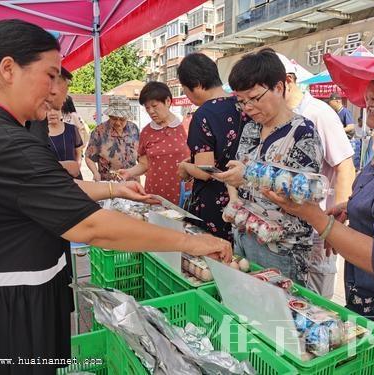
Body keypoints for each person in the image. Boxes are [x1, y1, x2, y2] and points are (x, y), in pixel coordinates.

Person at [0, 19, 231, 375]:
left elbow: (45, 191)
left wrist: (114, 189)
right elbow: (92, 226)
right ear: (9, 69)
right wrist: (190, 243)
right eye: (50, 74)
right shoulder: (4, 141)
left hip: (0, 300)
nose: (56, 88)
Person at [264, 31, 374, 374]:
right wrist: (350, 209)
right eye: (373, 79)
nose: (371, 91)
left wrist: (314, 217)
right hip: (372, 307)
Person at [214, 49, 324, 286]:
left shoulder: (302, 133)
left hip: (281, 249)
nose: (248, 107)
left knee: (277, 315)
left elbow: (303, 198)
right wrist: (234, 196)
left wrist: (248, 177)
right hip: (244, 232)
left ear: (279, 87)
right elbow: (239, 170)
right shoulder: (251, 128)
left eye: (255, 98)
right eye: (242, 101)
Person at [278, 52, 355, 298]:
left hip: (316, 228)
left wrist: (335, 225)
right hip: (288, 231)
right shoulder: (278, 118)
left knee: (317, 302)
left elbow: (345, 166)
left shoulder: (318, 114)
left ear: (287, 82)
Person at [176, 53, 243, 241]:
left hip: (215, 203)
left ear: (196, 85)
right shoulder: (243, 105)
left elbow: (205, 171)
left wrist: (185, 168)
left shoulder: (204, 114)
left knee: (215, 257)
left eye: (185, 90)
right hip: (245, 201)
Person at [118, 82, 189, 204]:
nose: (151, 111)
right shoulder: (146, 132)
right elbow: (144, 164)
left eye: (154, 106)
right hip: (154, 192)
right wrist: (128, 172)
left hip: (182, 192)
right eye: (147, 108)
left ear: (167, 101)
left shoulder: (186, 127)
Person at [85, 95, 139, 182]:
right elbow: (88, 157)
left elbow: (141, 156)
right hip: (108, 184)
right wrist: (95, 173)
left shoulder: (134, 129)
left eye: (122, 119)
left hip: (132, 181)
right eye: (114, 118)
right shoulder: (100, 131)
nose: (118, 123)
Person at [47, 108, 83, 179]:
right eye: (49, 110)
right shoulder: (39, 133)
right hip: (52, 179)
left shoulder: (72, 129)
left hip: (74, 177)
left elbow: (79, 153)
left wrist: (77, 166)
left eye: (56, 109)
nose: (53, 113)